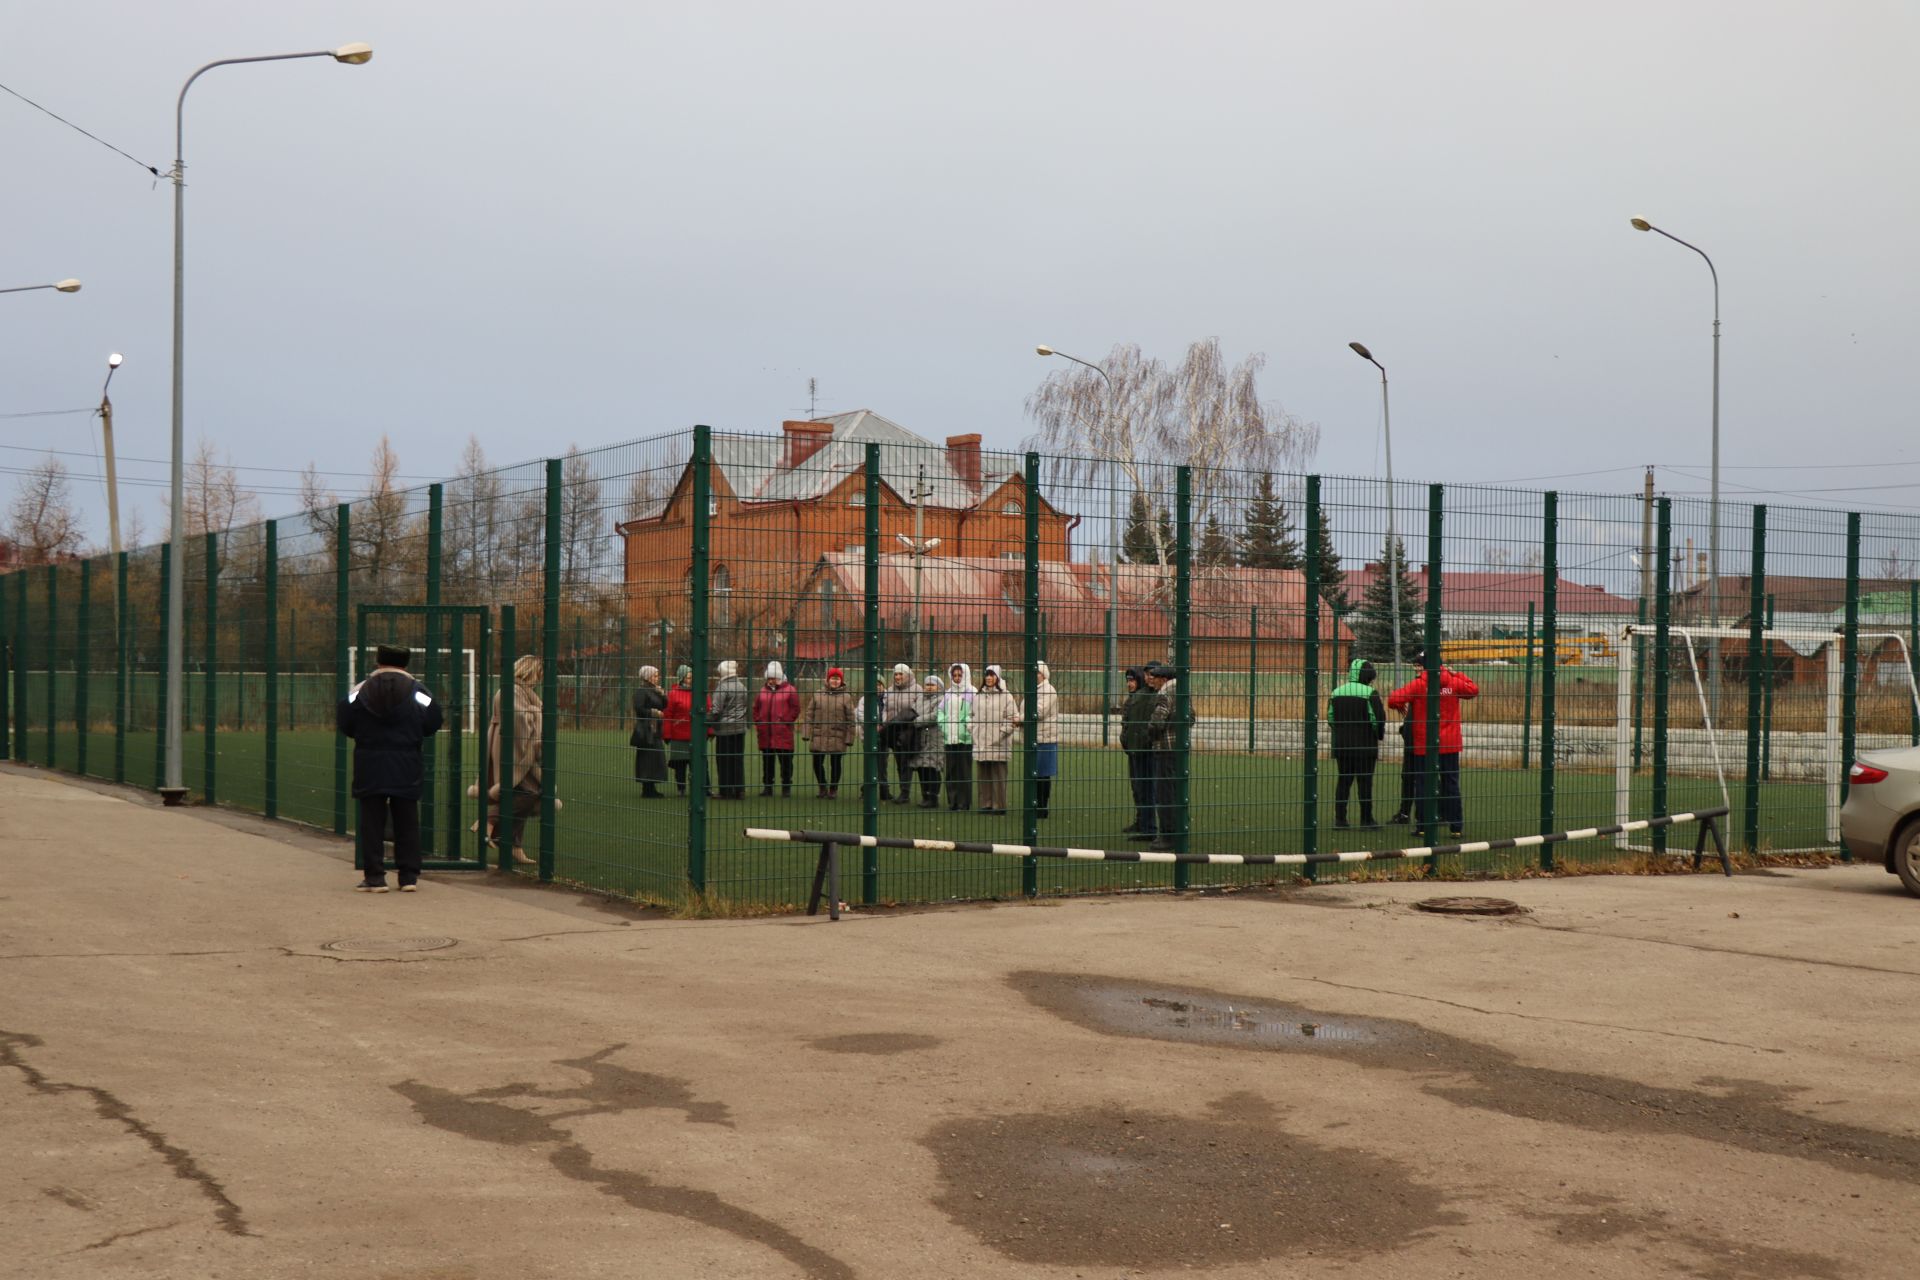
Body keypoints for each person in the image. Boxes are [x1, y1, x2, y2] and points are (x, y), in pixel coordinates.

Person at [338, 644, 443, 892]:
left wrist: (363, 736)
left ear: (378, 662)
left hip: (369, 761)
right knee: (406, 819)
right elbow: (434, 718)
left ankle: (375, 876)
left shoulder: (360, 690)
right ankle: (408, 877)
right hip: (406, 761)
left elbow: (345, 716)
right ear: (405, 664)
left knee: (371, 821)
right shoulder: (418, 691)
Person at [1387, 653, 1481, 837]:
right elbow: (1473, 690)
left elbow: (1393, 699)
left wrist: (1402, 706)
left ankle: (1423, 825)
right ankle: (1456, 827)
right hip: (1450, 743)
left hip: (1425, 744)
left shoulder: (1419, 684)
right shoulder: (1453, 683)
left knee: (1423, 783)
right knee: (1451, 783)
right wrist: (1457, 674)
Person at [481, 655, 544, 867]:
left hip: (518, 744)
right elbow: (518, 718)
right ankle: (489, 821)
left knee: (523, 792)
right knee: (529, 791)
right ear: (530, 672)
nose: (539, 680)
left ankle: (513, 845)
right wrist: (536, 713)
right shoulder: (512, 690)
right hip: (512, 746)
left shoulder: (521, 690)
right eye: (538, 674)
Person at [1326, 658, 1386, 829]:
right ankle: (1366, 819)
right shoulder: (1370, 693)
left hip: (1343, 746)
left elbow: (1330, 717)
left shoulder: (1336, 692)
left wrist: (1341, 733)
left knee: (1344, 781)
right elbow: (1377, 720)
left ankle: (1340, 820)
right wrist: (1377, 736)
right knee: (1365, 782)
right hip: (1365, 747)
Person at [970, 664, 1022, 815]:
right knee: (983, 775)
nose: (988, 678)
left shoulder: (1007, 696)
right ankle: (985, 804)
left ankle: (999, 806)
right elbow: (971, 716)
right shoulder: (978, 696)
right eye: (987, 675)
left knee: (998, 775)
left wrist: (1000, 734)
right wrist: (973, 730)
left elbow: (1012, 718)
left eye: (992, 675)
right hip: (981, 742)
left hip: (999, 743)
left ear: (998, 678)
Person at [799, 667, 857, 798]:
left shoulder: (846, 697)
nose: (835, 681)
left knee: (835, 764)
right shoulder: (818, 695)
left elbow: (851, 719)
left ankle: (833, 789)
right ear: (828, 680)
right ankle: (822, 786)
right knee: (816, 763)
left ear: (841, 681)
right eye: (833, 678)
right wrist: (806, 733)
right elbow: (809, 715)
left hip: (838, 736)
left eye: (837, 679)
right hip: (819, 735)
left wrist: (849, 738)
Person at [1144, 662, 1183, 852]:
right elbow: (1190, 717)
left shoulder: (1164, 694)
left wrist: (1151, 733)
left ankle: (1168, 836)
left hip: (1165, 748)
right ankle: (1178, 832)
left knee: (1164, 793)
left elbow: (1157, 721)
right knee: (1176, 792)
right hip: (1179, 748)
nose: (1153, 681)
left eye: (1156, 678)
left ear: (1164, 679)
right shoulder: (1183, 693)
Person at [1119, 666, 1157, 838]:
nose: (1129, 684)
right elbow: (1126, 725)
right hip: (1133, 749)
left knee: (1145, 788)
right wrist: (1125, 741)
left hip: (1144, 750)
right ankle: (1141, 821)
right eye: (1127, 680)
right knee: (1137, 787)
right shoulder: (1133, 699)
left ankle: (1148, 826)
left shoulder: (1147, 698)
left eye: (1132, 680)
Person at [753, 661, 800, 797]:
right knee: (767, 762)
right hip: (766, 732)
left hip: (783, 732)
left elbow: (795, 709)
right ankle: (768, 786)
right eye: (768, 678)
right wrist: (759, 721)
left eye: (773, 678)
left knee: (785, 761)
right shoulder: (762, 691)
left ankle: (786, 786)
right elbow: (756, 708)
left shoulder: (790, 690)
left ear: (779, 677)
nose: (770, 681)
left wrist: (786, 721)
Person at [710, 660, 751, 799]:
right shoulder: (742, 687)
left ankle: (725, 790)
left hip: (725, 729)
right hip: (739, 728)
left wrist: (708, 721)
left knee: (724, 760)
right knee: (737, 759)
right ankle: (739, 789)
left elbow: (716, 709)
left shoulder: (722, 687)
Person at [879, 663, 920, 802]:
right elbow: (884, 709)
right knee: (898, 760)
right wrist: (886, 722)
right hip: (892, 730)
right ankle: (903, 791)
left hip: (908, 731)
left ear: (907, 675)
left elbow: (916, 709)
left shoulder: (917, 690)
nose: (897, 677)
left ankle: (905, 792)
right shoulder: (889, 690)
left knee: (906, 762)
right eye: (895, 674)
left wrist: (899, 720)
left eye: (900, 674)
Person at [938, 662, 975, 810]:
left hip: (965, 739)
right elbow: (940, 712)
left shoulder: (972, 692)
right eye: (954, 675)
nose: (957, 677)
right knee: (951, 771)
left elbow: (975, 713)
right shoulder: (948, 693)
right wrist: (943, 725)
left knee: (964, 771)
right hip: (950, 738)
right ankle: (952, 801)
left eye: (960, 675)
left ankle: (964, 802)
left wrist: (967, 726)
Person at [629, 665, 668, 799]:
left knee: (655, 757)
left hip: (655, 728)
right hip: (646, 729)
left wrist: (663, 695)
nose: (657, 678)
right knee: (647, 757)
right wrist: (653, 712)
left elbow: (665, 705)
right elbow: (639, 708)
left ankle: (651, 786)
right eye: (655, 675)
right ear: (648, 676)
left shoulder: (655, 690)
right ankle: (647, 788)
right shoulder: (641, 691)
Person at [910, 674, 947, 807]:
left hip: (935, 738)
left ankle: (933, 797)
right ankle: (925, 795)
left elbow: (936, 715)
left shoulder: (943, 700)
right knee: (922, 767)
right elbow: (912, 711)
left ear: (939, 687)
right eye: (927, 685)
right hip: (919, 738)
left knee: (932, 767)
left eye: (932, 685)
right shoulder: (920, 698)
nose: (929, 688)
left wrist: (917, 721)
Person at [1031, 660, 1060, 819]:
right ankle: (1036, 804)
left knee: (1043, 774)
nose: (1035, 675)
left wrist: (1020, 718)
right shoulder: (1034, 690)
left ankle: (1042, 807)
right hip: (1036, 737)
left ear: (1044, 674)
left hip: (1046, 738)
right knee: (1035, 774)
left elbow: (1039, 712)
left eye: (1038, 672)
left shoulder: (1049, 690)